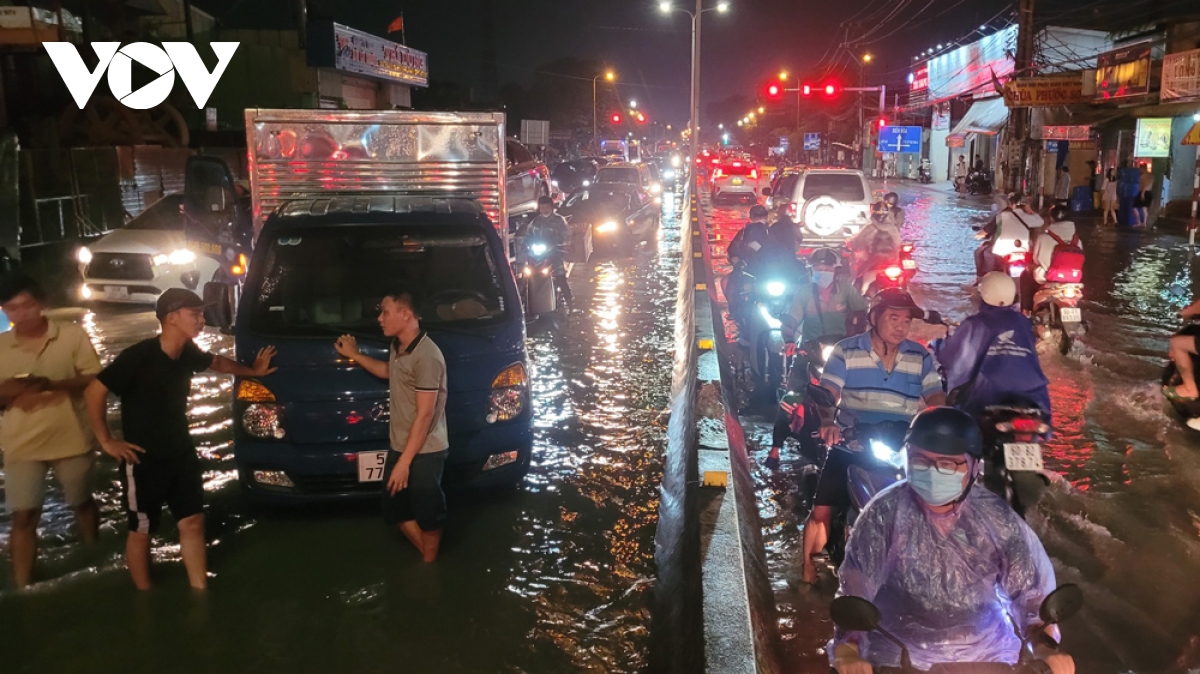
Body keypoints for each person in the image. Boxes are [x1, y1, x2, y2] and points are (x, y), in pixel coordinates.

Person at [829, 408, 1074, 674]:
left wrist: (1046, 649)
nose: (932, 473)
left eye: (947, 464)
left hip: (988, 659)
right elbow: (856, 593)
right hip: (898, 656)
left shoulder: (998, 520)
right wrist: (848, 650)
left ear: (972, 467)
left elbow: (1031, 599)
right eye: (920, 461)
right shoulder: (883, 514)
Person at [84, 289, 277, 590]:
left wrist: (252, 372)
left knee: (193, 522)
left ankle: (200, 590)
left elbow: (216, 362)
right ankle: (144, 596)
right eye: (195, 314)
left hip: (180, 451)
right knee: (142, 530)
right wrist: (107, 441)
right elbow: (94, 391)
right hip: (143, 458)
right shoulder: (139, 356)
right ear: (172, 318)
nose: (202, 320)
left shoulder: (186, 353)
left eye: (201, 314)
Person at [799, 289, 945, 584]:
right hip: (852, 441)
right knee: (822, 509)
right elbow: (829, 394)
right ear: (874, 316)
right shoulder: (846, 350)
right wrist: (830, 421)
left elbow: (936, 398)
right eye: (894, 318)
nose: (901, 326)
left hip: (901, 446)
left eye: (906, 321)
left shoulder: (920, 356)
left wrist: (945, 423)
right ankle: (807, 572)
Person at [0, 273, 101, 588]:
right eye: (11, 309)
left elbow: (95, 379)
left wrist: (52, 384)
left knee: (81, 503)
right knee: (23, 516)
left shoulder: (71, 335)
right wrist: (9, 390)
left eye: (27, 306)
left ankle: (94, 556)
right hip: (20, 443)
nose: (20, 315)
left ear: (41, 304)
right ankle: (23, 585)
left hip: (71, 437)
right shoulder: (1, 346)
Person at [335, 287, 449, 563]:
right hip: (402, 445)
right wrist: (356, 354)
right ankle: (428, 558)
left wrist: (404, 463)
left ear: (406, 313)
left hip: (425, 450)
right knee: (395, 510)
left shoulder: (427, 356)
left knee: (428, 513)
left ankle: (429, 567)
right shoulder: (399, 346)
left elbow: (424, 415)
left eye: (386, 312)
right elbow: (390, 372)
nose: (380, 319)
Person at [767, 249, 868, 469]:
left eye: (827, 268)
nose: (823, 272)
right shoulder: (804, 294)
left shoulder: (847, 292)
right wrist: (789, 340)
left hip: (841, 352)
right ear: (812, 270)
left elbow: (864, 312)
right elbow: (791, 321)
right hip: (810, 351)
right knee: (791, 397)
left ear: (835, 270)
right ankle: (775, 447)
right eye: (818, 269)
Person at [935, 272, 1051, 422]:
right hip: (1033, 395)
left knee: (960, 425)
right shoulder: (1023, 322)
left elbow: (950, 356)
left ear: (983, 294)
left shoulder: (975, 324)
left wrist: (938, 346)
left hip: (986, 395)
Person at [726, 205, 774, 324]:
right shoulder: (742, 234)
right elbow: (733, 249)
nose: (759, 219)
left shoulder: (772, 233)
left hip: (768, 271)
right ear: (751, 218)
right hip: (746, 270)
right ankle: (734, 311)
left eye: (762, 216)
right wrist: (736, 260)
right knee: (727, 283)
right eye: (757, 217)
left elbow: (781, 250)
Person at [977, 192, 1043, 276]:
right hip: (1023, 250)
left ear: (1012, 204)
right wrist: (1031, 211)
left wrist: (980, 234)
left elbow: (984, 232)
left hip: (1002, 252)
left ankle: (985, 278)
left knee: (984, 253)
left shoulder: (1002, 216)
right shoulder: (1030, 218)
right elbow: (1041, 222)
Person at [526, 195, 573, 309]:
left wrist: (557, 244)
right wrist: (527, 245)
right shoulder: (535, 222)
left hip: (555, 252)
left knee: (560, 276)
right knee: (528, 274)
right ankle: (528, 302)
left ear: (551, 207)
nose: (544, 210)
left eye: (546, 207)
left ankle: (570, 302)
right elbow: (528, 236)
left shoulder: (559, 220)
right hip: (539, 253)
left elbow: (566, 236)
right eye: (542, 207)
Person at [848, 194, 902, 281]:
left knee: (859, 277)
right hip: (890, 262)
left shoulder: (873, 227)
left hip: (877, 262)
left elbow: (858, 239)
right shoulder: (891, 227)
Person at [1032, 205, 1081, 286]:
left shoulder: (1042, 238)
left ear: (1051, 218)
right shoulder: (1077, 240)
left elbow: (1035, 259)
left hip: (1047, 277)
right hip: (1073, 279)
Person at [1135, 163, 1153, 228]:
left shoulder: (1143, 176)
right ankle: (1144, 222)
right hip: (1149, 192)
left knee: (1135, 207)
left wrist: (1142, 193)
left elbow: (1145, 185)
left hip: (1143, 192)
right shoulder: (1151, 176)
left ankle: (1139, 222)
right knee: (1144, 208)